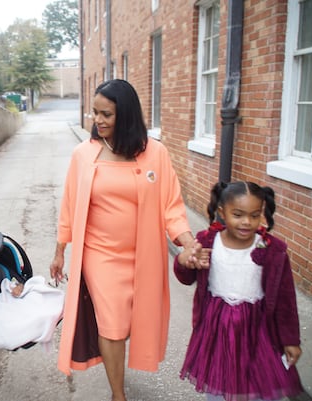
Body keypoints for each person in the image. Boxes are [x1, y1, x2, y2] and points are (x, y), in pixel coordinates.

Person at [49, 79, 207, 401]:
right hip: (100, 255)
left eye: (106, 114)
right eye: (95, 113)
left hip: (144, 255)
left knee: (136, 320)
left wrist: (187, 242)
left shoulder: (155, 154)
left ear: (127, 115)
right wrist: (59, 251)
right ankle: (117, 394)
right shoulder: (84, 154)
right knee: (112, 324)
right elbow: (69, 206)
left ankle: (118, 367)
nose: (98, 120)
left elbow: (171, 206)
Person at [174, 181, 304, 401]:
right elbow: (187, 278)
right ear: (223, 212)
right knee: (218, 382)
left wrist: (291, 339)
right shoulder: (207, 241)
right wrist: (184, 260)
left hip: (259, 329)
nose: (247, 222)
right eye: (238, 214)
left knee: (258, 384)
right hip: (217, 327)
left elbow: (285, 299)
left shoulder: (272, 249)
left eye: (254, 215)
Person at [0, 272, 65, 350]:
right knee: (12, 326)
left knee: (35, 301)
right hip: (6, 316)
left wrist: (18, 288)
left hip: (17, 305)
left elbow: (19, 287)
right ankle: (24, 331)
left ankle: (45, 316)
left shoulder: (5, 287)